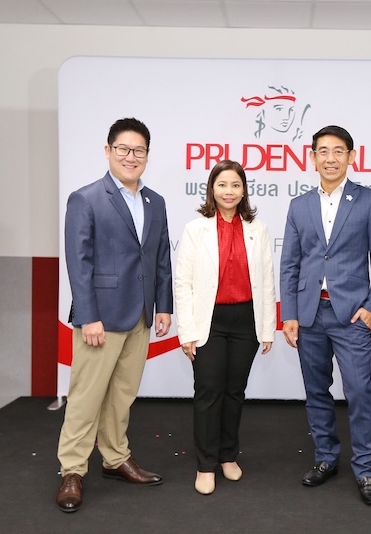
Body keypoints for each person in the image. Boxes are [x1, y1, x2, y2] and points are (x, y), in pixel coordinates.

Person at [56, 117, 173, 513]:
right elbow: (79, 263)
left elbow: (160, 258)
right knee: (86, 397)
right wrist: (88, 316)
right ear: (108, 151)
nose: (130, 156)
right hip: (100, 319)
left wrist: (163, 305)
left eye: (138, 150)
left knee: (122, 394)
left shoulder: (155, 202)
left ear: (147, 155)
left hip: (140, 314)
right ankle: (72, 470)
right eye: (123, 149)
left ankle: (115, 458)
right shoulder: (86, 199)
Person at [280, 125, 371, 506]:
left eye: (338, 151)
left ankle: (367, 469)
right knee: (316, 391)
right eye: (323, 151)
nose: (330, 158)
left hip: (351, 316)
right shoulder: (299, 206)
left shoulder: (370, 201)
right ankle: (326, 457)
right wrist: (290, 314)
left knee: (359, 391)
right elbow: (290, 265)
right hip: (309, 315)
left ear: (351, 156)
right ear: (312, 157)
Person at [175, 159, 277, 496]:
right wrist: (187, 332)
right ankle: (205, 465)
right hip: (209, 321)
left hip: (246, 320)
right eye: (222, 185)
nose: (229, 191)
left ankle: (227, 456)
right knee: (209, 392)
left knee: (234, 392)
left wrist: (267, 328)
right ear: (212, 189)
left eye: (235, 185)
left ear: (244, 190)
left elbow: (266, 281)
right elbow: (183, 283)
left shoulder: (258, 228)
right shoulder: (196, 229)